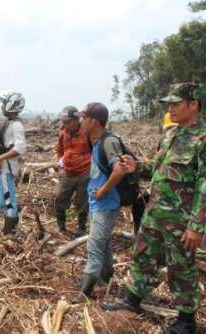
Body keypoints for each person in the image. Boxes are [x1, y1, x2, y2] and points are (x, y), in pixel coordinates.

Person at [102, 83, 206, 334]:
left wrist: (197, 227)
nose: (170, 108)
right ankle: (132, 300)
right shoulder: (171, 134)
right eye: (168, 104)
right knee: (142, 254)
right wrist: (137, 167)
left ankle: (186, 320)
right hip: (155, 212)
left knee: (181, 267)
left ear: (193, 104)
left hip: (181, 219)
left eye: (175, 103)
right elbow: (158, 170)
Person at [71, 102, 127, 303]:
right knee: (103, 244)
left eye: (83, 118)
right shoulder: (95, 140)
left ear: (94, 121)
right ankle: (106, 279)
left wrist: (102, 191)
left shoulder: (108, 141)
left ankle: (84, 293)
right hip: (98, 203)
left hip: (106, 203)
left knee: (94, 246)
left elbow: (119, 170)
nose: (80, 121)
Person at [0, 92, 26, 234]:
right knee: (3, 198)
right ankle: (9, 228)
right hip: (1, 168)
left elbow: (20, 148)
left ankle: (9, 233)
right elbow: (6, 142)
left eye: (4, 103)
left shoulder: (17, 125)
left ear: (11, 105)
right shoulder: (9, 123)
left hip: (6, 168)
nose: (2, 106)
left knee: (8, 200)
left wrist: (1, 158)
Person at [55, 106, 91, 237]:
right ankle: (61, 227)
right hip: (67, 172)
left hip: (84, 172)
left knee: (82, 201)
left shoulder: (87, 132)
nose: (65, 125)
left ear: (77, 120)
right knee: (60, 197)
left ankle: (81, 228)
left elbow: (95, 150)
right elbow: (59, 150)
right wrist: (60, 164)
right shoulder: (63, 132)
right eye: (63, 122)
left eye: (68, 122)